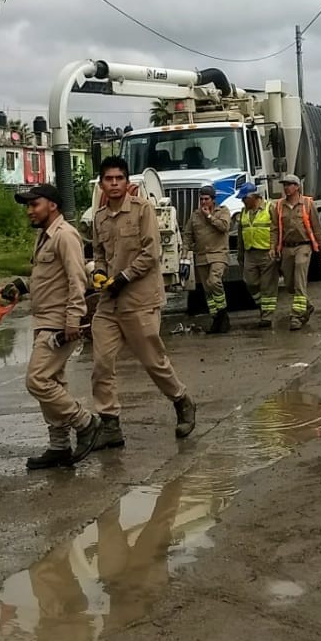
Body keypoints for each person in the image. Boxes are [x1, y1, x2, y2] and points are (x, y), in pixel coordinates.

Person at [91, 156, 196, 446]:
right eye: (109, 179)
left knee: (153, 362)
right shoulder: (99, 217)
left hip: (139, 299)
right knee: (101, 364)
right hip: (108, 303)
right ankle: (110, 424)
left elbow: (151, 253)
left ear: (127, 182)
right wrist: (99, 273)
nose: (114, 184)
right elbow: (99, 254)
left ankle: (182, 401)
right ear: (102, 184)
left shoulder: (143, 210)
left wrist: (123, 277)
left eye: (119, 178)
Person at [1, 184, 102, 470]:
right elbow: (49, 277)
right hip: (44, 319)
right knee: (53, 382)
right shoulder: (44, 237)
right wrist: (22, 287)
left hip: (58, 323)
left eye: (35, 204)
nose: (29, 211)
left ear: (53, 206)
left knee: (37, 380)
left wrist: (73, 319)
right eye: (28, 206)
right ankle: (59, 446)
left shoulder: (65, 235)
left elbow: (76, 279)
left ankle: (85, 422)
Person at [271, 174, 321, 331]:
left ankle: (296, 316)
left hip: (303, 247)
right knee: (290, 284)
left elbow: (318, 230)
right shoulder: (279, 206)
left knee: (299, 281)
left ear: (297, 187)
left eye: (289, 184)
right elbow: (275, 229)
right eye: (284, 185)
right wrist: (273, 247)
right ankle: (307, 306)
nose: (286, 188)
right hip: (286, 248)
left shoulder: (308, 204)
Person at [182, 185, 232, 334]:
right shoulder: (195, 215)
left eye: (206, 199)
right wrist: (184, 253)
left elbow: (224, 227)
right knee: (208, 291)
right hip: (201, 257)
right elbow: (188, 235)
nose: (203, 202)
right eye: (201, 199)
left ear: (213, 200)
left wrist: (209, 217)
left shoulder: (222, 211)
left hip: (218, 254)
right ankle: (216, 318)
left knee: (214, 281)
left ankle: (223, 314)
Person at [237, 184, 278, 327]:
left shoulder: (269, 208)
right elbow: (240, 235)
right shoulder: (244, 212)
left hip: (266, 252)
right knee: (250, 282)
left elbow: (276, 230)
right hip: (250, 252)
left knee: (268, 285)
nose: (242, 201)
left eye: (244, 198)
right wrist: (240, 254)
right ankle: (262, 306)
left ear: (253, 197)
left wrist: (274, 247)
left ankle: (267, 316)